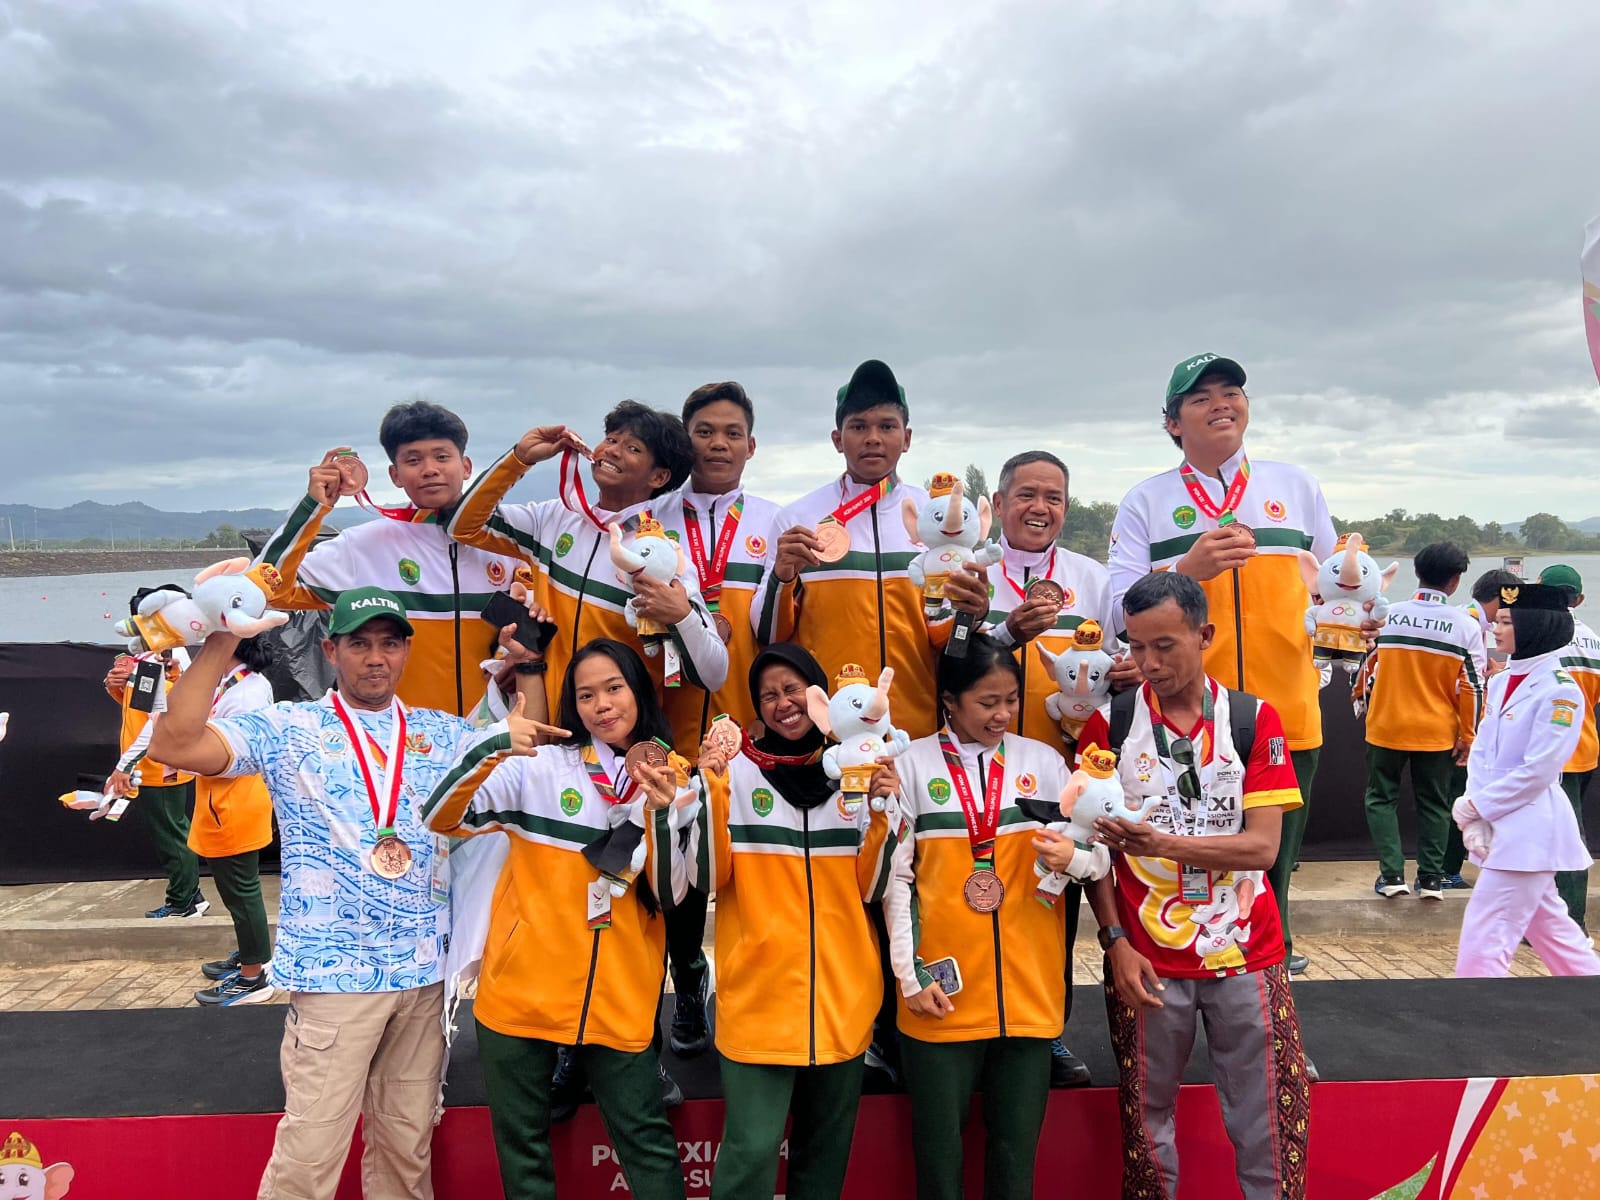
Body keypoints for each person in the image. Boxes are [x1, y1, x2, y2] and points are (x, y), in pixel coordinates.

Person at [148, 587, 531, 1200]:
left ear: (406, 651)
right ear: (331, 651)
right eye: (359, 644)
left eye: (389, 643)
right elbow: (173, 744)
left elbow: (524, 759)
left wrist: (528, 664)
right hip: (334, 980)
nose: (375, 658)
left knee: (406, 1152)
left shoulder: (441, 734)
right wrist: (223, 637)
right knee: (310, 1154)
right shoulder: (288, 727)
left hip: (424, 977)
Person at [447, 400, 726, 1108]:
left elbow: (714, 671)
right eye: (609, 438)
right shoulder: (553, 520)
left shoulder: (665, 554)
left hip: (631, 751)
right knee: (568, 903)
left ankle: (644, 1045)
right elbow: (463, 525)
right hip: (554, 738)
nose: (608, 450)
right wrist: (520, 459)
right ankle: (571, 1044)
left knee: (634, 906)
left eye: (629, 447)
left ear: (658, 475)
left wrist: (683, 615)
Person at [1061, 571, 1310, 1200]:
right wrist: (1114, 941)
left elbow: (1263, 848)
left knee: (1270, 1117)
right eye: (1136, 646)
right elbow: (1091, 849)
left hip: (1247, 953)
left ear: (1205, 635)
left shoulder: (1252, 720)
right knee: (1145, 1121)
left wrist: (1162, 844)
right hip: (1145, 958)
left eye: (1165, 645)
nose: (1148, 663)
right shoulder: (1111, 727)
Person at [423, 638, 696, 1200]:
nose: (602, 705)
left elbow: (671, 893)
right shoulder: (539, 768)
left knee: (646, 1141)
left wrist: (662, 815)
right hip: (520, 996)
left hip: (620, 997)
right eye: (586, 695)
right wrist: (492, 746)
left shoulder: (675, 778)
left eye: (614, 688)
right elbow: (440, 817)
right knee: (523, 1150)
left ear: (638, 691)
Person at [1107, 353, 1341, 975]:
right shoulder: (1146, 501)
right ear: (1172, 423)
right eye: (1201, 397)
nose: (1221, 404)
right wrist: (1186, 570)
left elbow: (1337, 585)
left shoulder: (1296, 486)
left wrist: (1358, 615)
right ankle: (1178, 981)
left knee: (1273, 871)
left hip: (1285, 711)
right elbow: (1115, 613)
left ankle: (1271, 992)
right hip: (1182, 720)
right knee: (1178, 860)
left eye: (1231, 391)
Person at [751, 359, 945, 1083]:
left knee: (915, 878)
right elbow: (767, 633)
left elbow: (951, 634)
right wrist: (784, 574)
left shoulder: (932, 519)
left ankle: (912, 1018)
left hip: (918, 734)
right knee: (852, 882)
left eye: (886, 425)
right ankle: (856, 1027)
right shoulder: (799, 518)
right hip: (832, 745)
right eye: (859, 426)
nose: (873, 438)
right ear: (836, 438)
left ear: (908, 437)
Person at [942, 449, 1132, 1089]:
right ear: (997, 504)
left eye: (1053, 497)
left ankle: (1046, 1028)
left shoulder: (1092, 579)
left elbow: (1112, 665)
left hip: (1061, 779)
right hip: (972, 771)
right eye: (1026, 494)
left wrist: (1125, 673)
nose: (1039, 508)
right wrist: (1003, 637)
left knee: (1053, 906)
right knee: (961, 901)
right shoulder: (969, 570)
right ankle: (959, 1024)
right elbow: (947, 663)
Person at [689, 644, 899, 1200]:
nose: (783, 703)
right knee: (750, 1152)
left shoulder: (858, 768)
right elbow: (710, 876)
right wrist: (710, 788)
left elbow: (873, 888)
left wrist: (884, 814)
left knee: (824, 1157)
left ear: (820, 697)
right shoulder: (735, 772)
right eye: (768, 695)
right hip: (758, 999)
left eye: (793, 690)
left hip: (844, 998)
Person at [885, 634, 1090, 1200]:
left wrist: (1074, 858)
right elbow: (895, 882)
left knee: (1014, 1154)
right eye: (987, 702)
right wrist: (908, 975)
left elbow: (1094, 859)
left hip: (1028, 991)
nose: (1002, 714)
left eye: (1011, 700)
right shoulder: (910, 766)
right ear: (950, 701)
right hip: (940, 992)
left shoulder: (1043, 763)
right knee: (938, 1155)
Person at [649, 382, 784, 1059]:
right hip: (665, 726)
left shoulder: (776, 522)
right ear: (686, 439)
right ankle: (687, 981)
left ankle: (752, 994)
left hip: (747, 731)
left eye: (732, 433)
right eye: (705, 431)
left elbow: (782, 629)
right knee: (672, 878)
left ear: (751, 445)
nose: (719, 444)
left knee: (747, 871)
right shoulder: (649, 520)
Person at [254, 400, 526, 716]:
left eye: (442, 456)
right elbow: (266, 588)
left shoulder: (510, 541)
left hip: (491, 733)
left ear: (466, 467)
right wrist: (312, 508)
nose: (430, 469)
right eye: (413, 460)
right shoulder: (362, 546)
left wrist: (510, 657)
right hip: (397, 736)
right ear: (395, 475)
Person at [1452, 582, 1600, 978]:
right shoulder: (1501, 681)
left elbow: (1539, 769)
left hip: (1530, 831)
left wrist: (1476, 807)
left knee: (1486, 934)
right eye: (1497, 620)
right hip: (1505, 828)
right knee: (1553, 931)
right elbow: (1484, 752)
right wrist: (1474, 812)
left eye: (1506, 622)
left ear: (1534, 627)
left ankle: (1472, 1008)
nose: (1495, 629)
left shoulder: (1561, 692)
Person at [1356, 542, 1484, 901]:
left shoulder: (1388, 615)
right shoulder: (1465, 626)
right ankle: (1431, 879)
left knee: (1381, 799)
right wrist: (1469, 735)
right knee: (1435, 804)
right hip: (1437, 733)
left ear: (1417, 572)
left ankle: (1391, 875)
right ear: (1455, 581)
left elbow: (1365, 665)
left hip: (1385, 726)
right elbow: (1472, 686)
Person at [190, 635, 280, 1006]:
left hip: (233, 802)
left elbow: (237, 755)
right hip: (226, 800)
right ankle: (249, 956)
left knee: (241, 892)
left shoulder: (246, 693)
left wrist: (189, 754)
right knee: (237, 890)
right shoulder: (238, 684)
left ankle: (254, 976)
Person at [103, 601, 205, 918]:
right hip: (158, 763)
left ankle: (182, 902)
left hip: (159, 766)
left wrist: (125, 766)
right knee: (173, 832)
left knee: (171, 836)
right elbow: (140, 710)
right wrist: (115, 687)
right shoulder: (148, 662)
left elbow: (156, 723)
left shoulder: (159, 663)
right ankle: (192, 895)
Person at [1442, 567, 1523, 888]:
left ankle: (1445, 869)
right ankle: (1445, 871)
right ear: (1503, 598)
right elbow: (1463, 684)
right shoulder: (1470, 624)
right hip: (1460, 729)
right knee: (1457, 797)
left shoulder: (1468, 619)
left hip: (1460, 725)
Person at [1539, 564, 1600, 929]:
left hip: (1552, 752)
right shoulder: (1594, 639)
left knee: (1565, 836)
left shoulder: (1541, 637)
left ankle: (1569, 922)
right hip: (1585, 747)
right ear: (1579, 599)